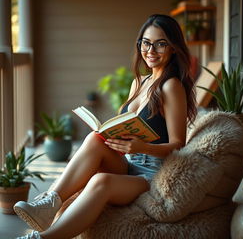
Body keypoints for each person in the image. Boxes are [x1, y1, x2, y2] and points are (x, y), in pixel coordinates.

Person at [14, 14, 197, 239]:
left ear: (173, 48)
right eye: (146, 42)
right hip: (127, 163)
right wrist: (114, 136)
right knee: (94, 138)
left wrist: (142, 147)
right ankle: (48, 204)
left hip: (152, 174)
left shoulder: (171, 86)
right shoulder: (139, 82)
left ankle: (43, 238)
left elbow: (179, 144)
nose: (151, 50)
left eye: (161, 44)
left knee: (101, 181)